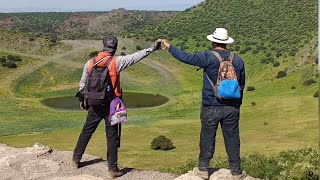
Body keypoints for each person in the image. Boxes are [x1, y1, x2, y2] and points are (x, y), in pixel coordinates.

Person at [161, 28, 246, 179]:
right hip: (232, 107)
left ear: (214, 42)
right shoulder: (238, 60)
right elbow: (241, 84)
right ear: (226, 43)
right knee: (232, 138)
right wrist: (236, 105)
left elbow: (186, 57)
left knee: (207, 136)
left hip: (210, 106)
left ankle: (203, 169)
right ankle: (236, 171)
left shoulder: (208, 57)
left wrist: (169, 46)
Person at [72, 36, 161, 179]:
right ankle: (112, 169)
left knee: (86, 132)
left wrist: (86, 102)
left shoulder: (89, 63)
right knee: (112, 136)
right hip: (113, 104)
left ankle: (76, 160)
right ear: (115, 47)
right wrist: (152, 48)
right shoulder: (116, 62)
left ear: (103, 46)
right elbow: (135, 57)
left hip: (95, 105)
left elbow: (82, 86)